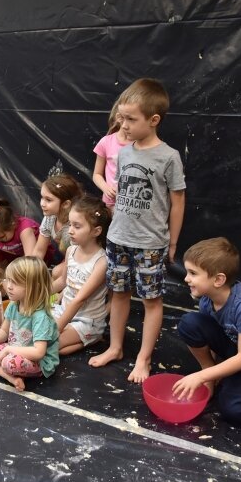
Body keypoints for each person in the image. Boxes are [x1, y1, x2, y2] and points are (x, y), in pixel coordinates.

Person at [88, 78, 186, 383]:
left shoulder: (168, 157)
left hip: (149, 243)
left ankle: (143, 358)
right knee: (118, 293)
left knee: (151, 300)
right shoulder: (125, 150)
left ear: (153, 120)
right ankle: (115, 347)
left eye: (131, 119)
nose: (123, 125)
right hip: (119, 238)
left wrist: (172, 243)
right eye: (121, 117)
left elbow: (178, 202)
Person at [172, 237, 241, 425]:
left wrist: (200, 378)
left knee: (236, 413)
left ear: (218, 279)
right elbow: (213, 334)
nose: (186, 278)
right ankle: (210, 371)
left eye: (193, 273)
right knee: (189, 323)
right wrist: (211, 373)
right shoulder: (206, 299)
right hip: (235, 347)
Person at [0, 257, 60, 392]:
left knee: (9, 363)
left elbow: (38, 352)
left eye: (16, 282)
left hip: (38, 362)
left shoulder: (40, 317)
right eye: (8, 280)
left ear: (33, 286)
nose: (9, 286)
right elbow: (4, 331)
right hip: (14, 349)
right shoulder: (14, 305)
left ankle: (0, 369)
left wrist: (7, 350)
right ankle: (10, 378)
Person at [52, 197, 111, 355]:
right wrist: (35, 293)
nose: (70, 230)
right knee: (31, 334)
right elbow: (62, 281)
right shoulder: (71, 250)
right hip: (63, 311)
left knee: (49, 346)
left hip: (86, 321)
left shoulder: (101, 262)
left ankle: (94, 335)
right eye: (70, 224)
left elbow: (80, 299)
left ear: (96, 231)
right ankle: (89, 340)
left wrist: (57, 328)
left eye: (77, 226)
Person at [32, 171, 83, 279]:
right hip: (68, 259)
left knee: (56, 273)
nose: (42, 203)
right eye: (42, 197)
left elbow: (80, 258)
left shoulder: (74, 225)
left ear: (65, 204)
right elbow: (39, 251)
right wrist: (28, 273)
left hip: (82, 262)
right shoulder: (50, 218)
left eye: (48, 200)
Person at [0, 197, 51, 267]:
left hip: (37, 256)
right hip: (13, 256)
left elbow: (31, 260)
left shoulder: (25, 229)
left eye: (2, 237)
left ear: (13, 224)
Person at [92, 100, 130, 211]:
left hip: (131, 204)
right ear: (118, 117)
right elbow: (97, 174)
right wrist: (106, 188)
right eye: (125, 117)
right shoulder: (106, 142)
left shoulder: (140, 144)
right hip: (110, 203)